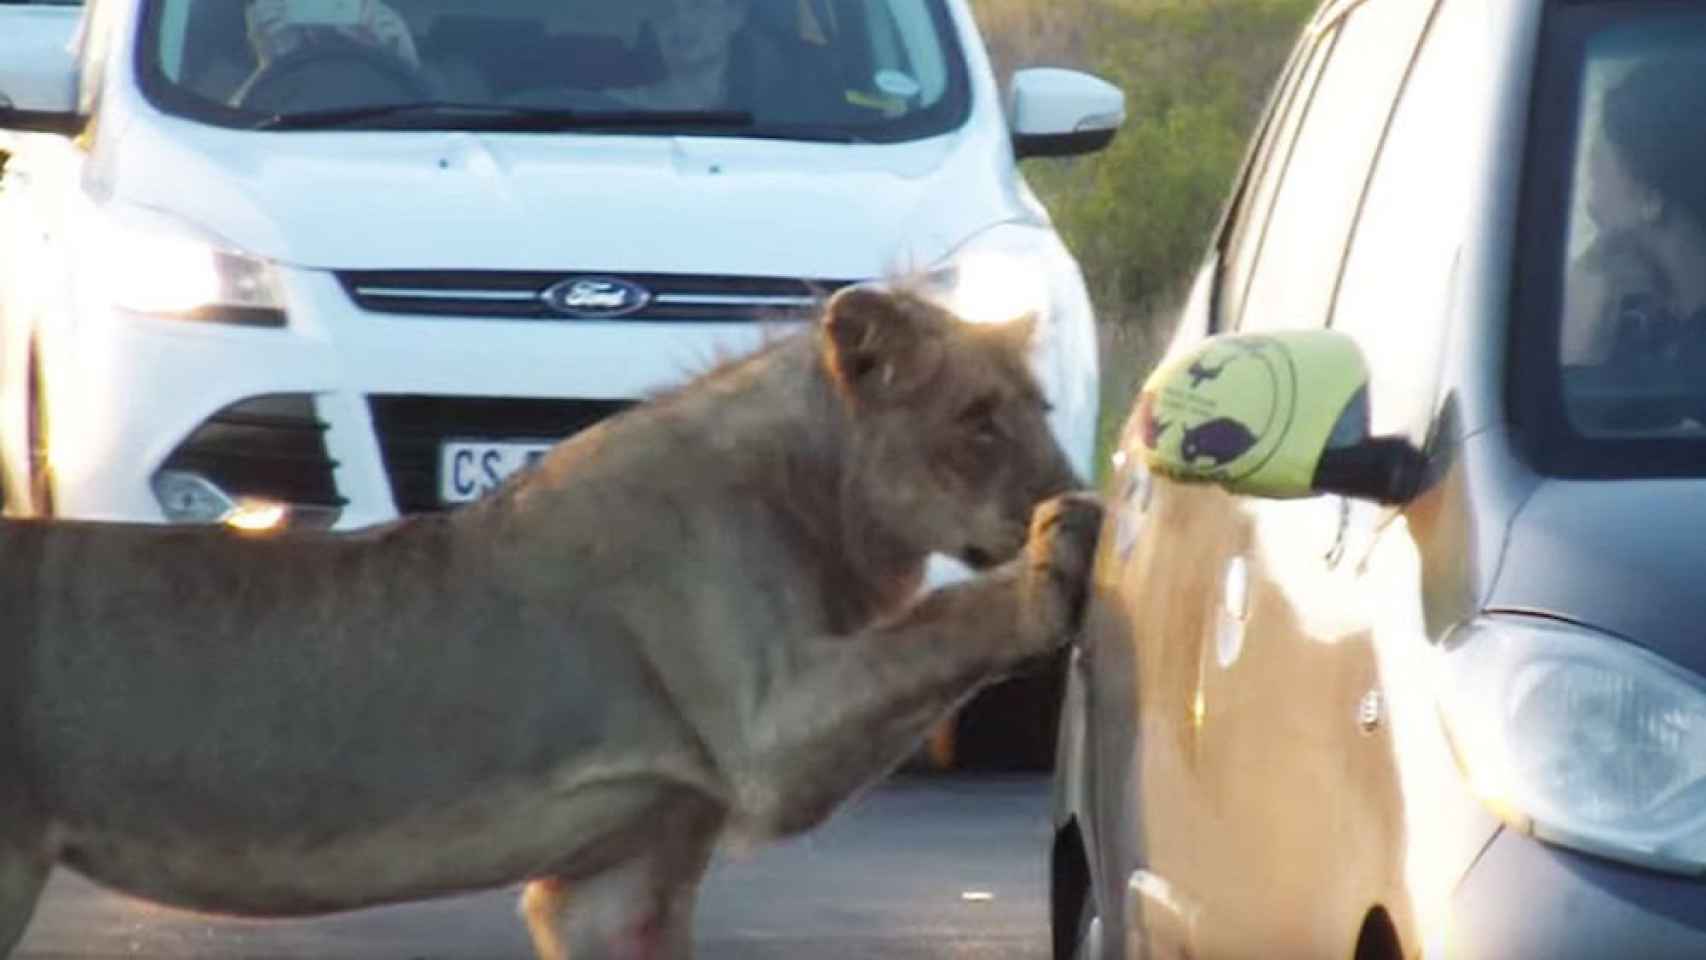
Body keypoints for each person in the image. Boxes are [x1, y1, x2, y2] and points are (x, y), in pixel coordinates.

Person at [1562, 56, 1706, 368]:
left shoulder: (1684, 374)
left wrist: (1578, 353)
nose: (1591, 207)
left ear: (1649, 198)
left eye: (1596, 171)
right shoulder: (1661, 345)